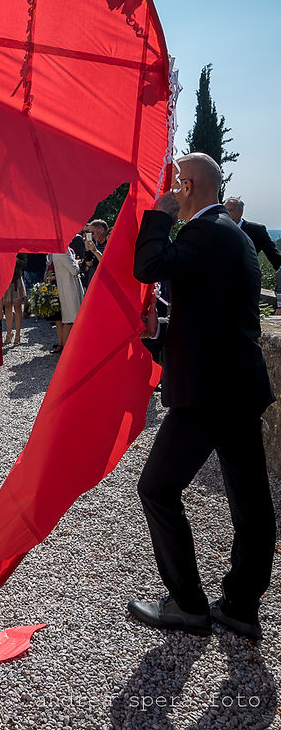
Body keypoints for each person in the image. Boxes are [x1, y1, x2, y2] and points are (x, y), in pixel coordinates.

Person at [128, 153, 276, 641]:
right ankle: (239, 606)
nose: (171, 188)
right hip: (238, 387)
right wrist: (161, 329)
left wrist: (160, 214)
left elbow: (146, 264)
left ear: (187, 186)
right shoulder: (231, 235)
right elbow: (209, 316)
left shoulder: (202, 233)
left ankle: (188, 604)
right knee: (252, 503)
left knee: (157, 488)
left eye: (175, 182)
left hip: (208, 394)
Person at [224, 197, 281, 313]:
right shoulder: (217, 228)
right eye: (224, 210)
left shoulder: (256, 230)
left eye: (229, 210)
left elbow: (273, 256)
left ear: (240, 212)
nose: (226, 214)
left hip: (246, 284)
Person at [51, 249, 84, 351]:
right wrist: (77, 263)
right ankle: (68, 350)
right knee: (70, 321)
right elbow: (74, 270)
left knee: (68, 320)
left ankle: (67, 349)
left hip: (65, 288)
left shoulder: (56, 252)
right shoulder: (63, 251)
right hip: (70, 289)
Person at [0, 253, 27, 346]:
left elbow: (24, 263)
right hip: (5, 278)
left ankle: (18, 335)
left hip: (16, 279)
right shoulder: (2, 247)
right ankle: (9, 333)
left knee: (17, 307)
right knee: (7, 306)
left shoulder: (20, 248)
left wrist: (16, 260)